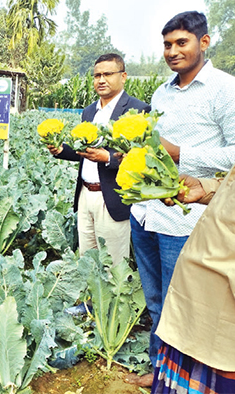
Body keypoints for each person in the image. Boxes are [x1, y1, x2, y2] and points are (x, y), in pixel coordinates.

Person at [127, 11, 235, 386]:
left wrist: (180, 153)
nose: (172, 51)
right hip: (148, 214)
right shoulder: (161, 92)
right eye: (167, 44)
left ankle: (182, 379)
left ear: (204, 42)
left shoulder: (228, 90)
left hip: (187, 220)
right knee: (155, 302)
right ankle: (158, 371)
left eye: (181, 42)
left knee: (181, 305)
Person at [48, 53, 150, 265]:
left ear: (123, 76)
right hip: (85, 194)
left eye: (107, 74)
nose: (101, 80)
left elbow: (143, 159)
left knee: (113, 263)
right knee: (88, 260)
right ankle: (91, 299)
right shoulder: (88, 112)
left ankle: (114, 299)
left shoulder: (138, 109)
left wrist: (108, 158)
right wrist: (60, 150)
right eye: (96, 76)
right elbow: (82, 154)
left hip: (112, 197)